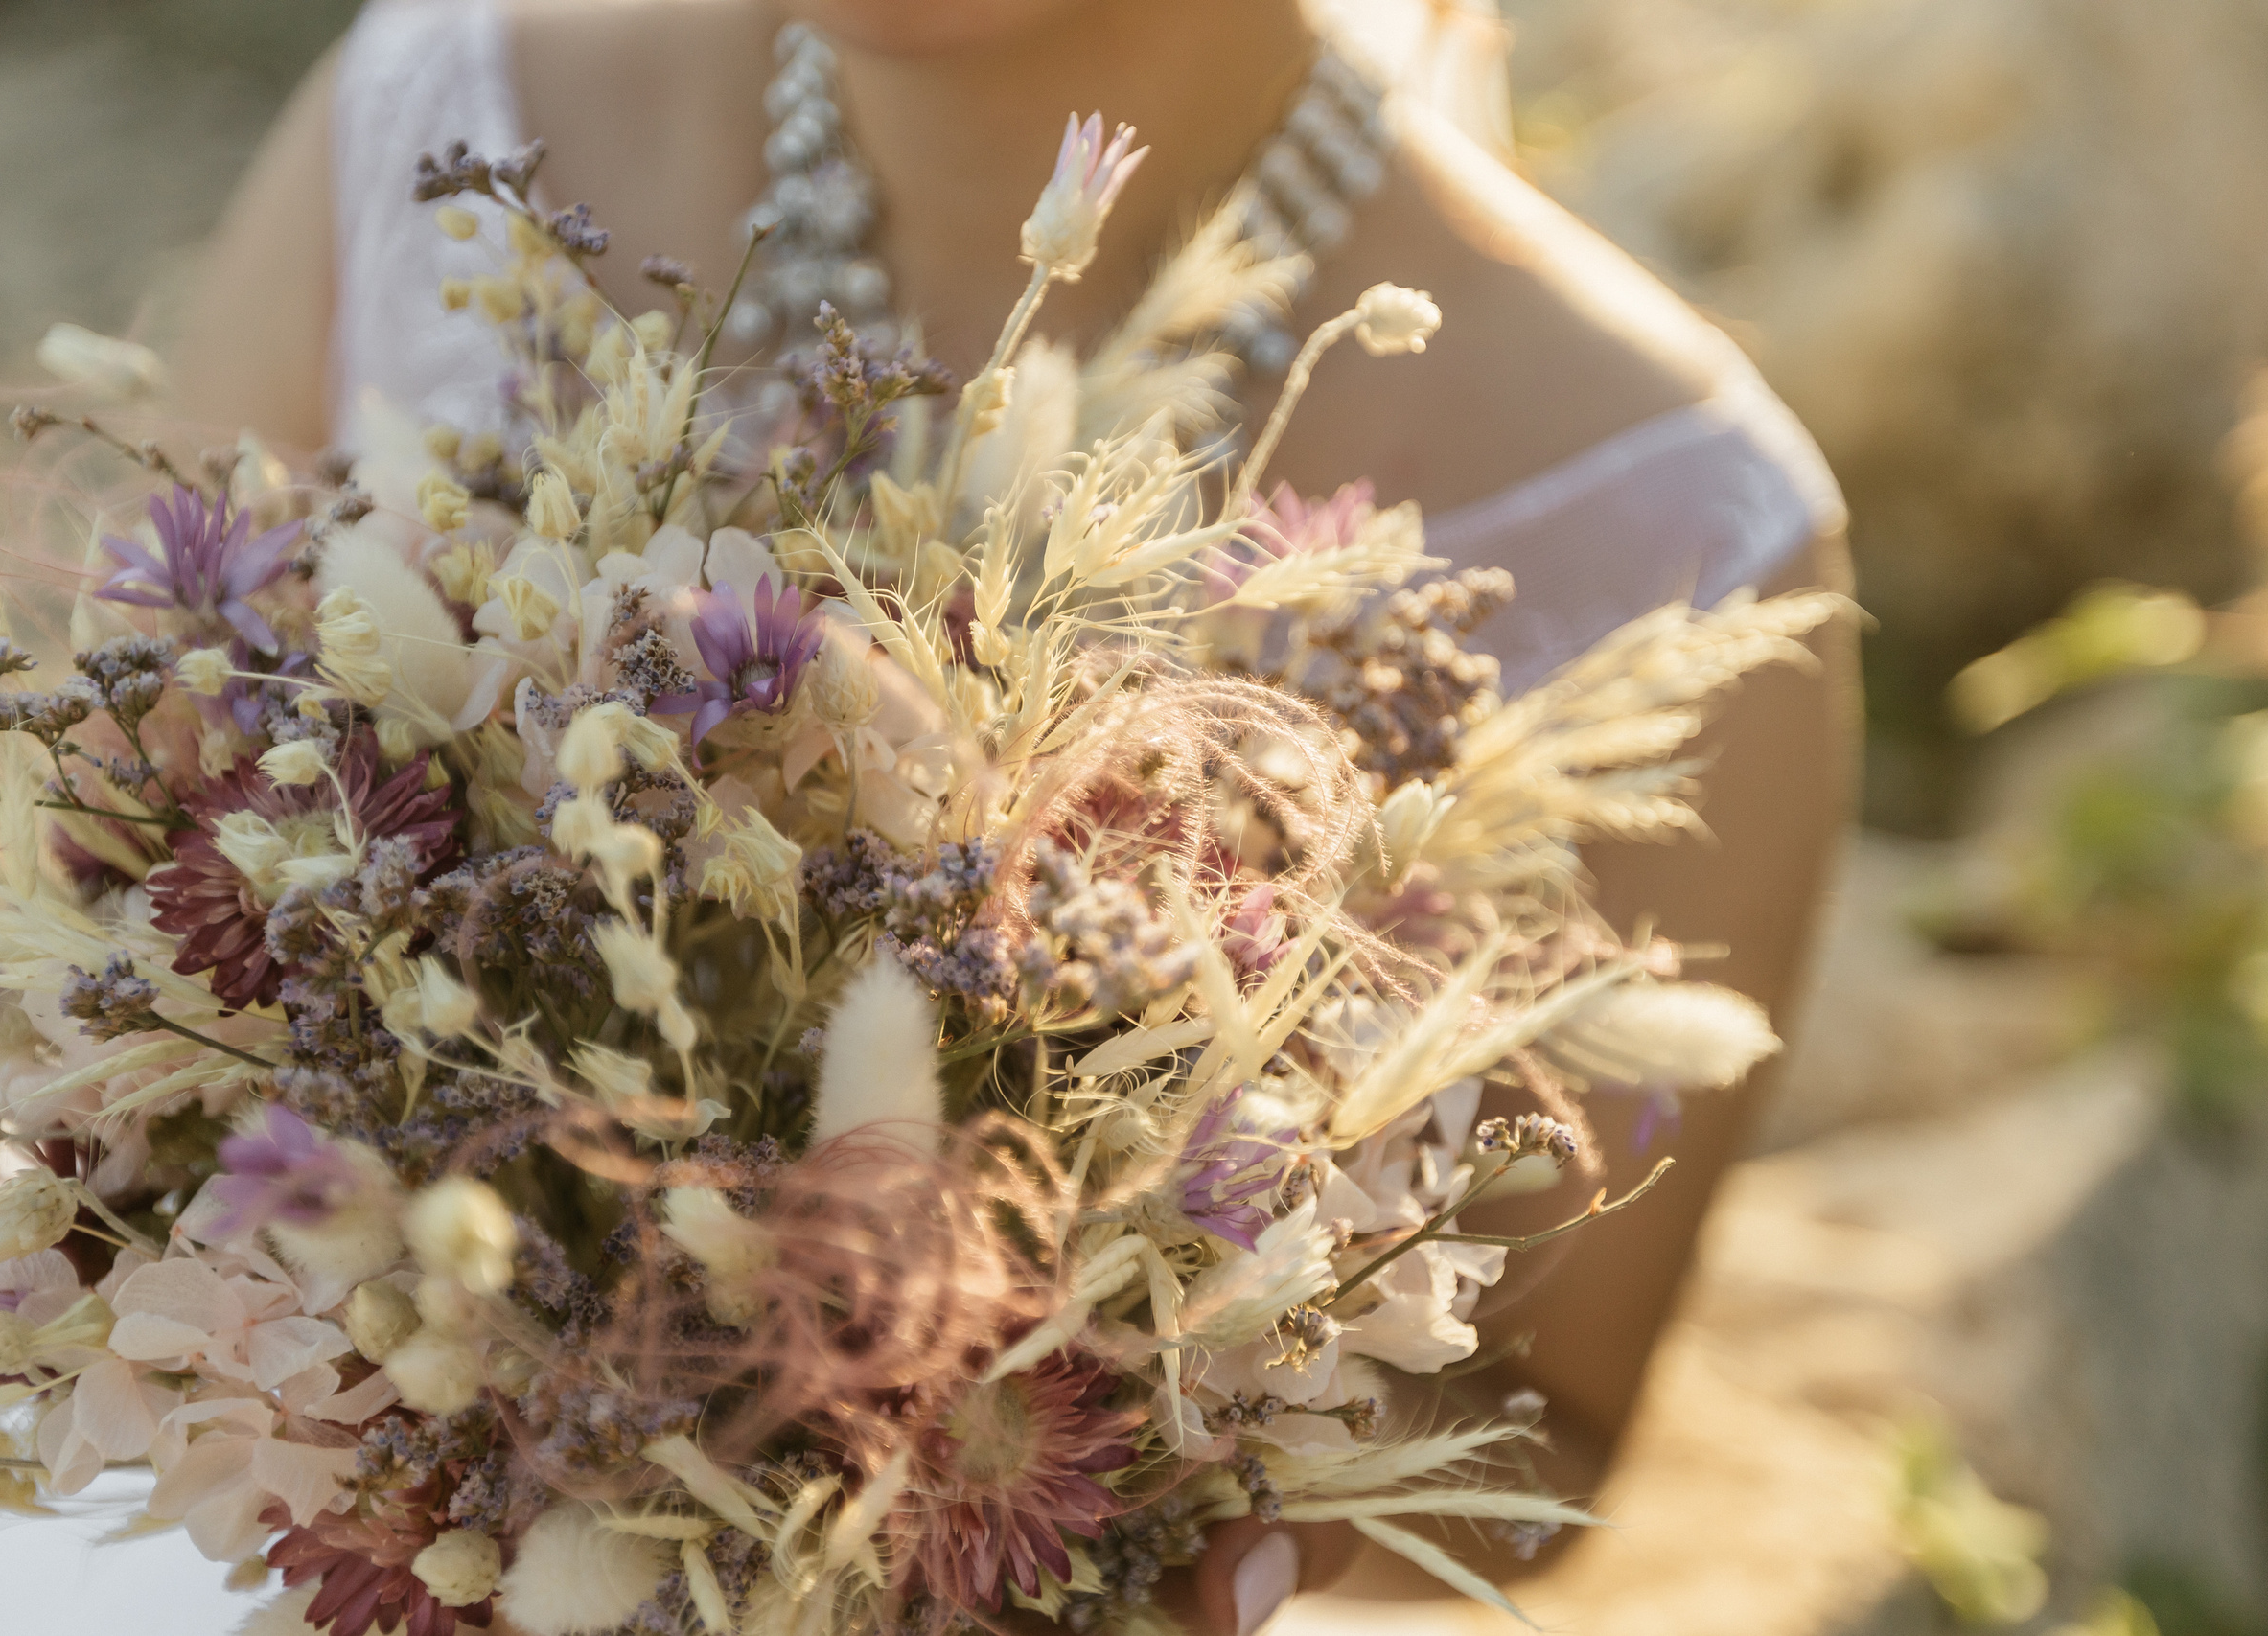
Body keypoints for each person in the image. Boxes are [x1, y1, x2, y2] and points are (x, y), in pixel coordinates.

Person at [173, 0, 1857, 1629]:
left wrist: (1065, 1473)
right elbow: (116, 883)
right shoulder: (435, 111)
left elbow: (1536, 1430)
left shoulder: (1677, 530)